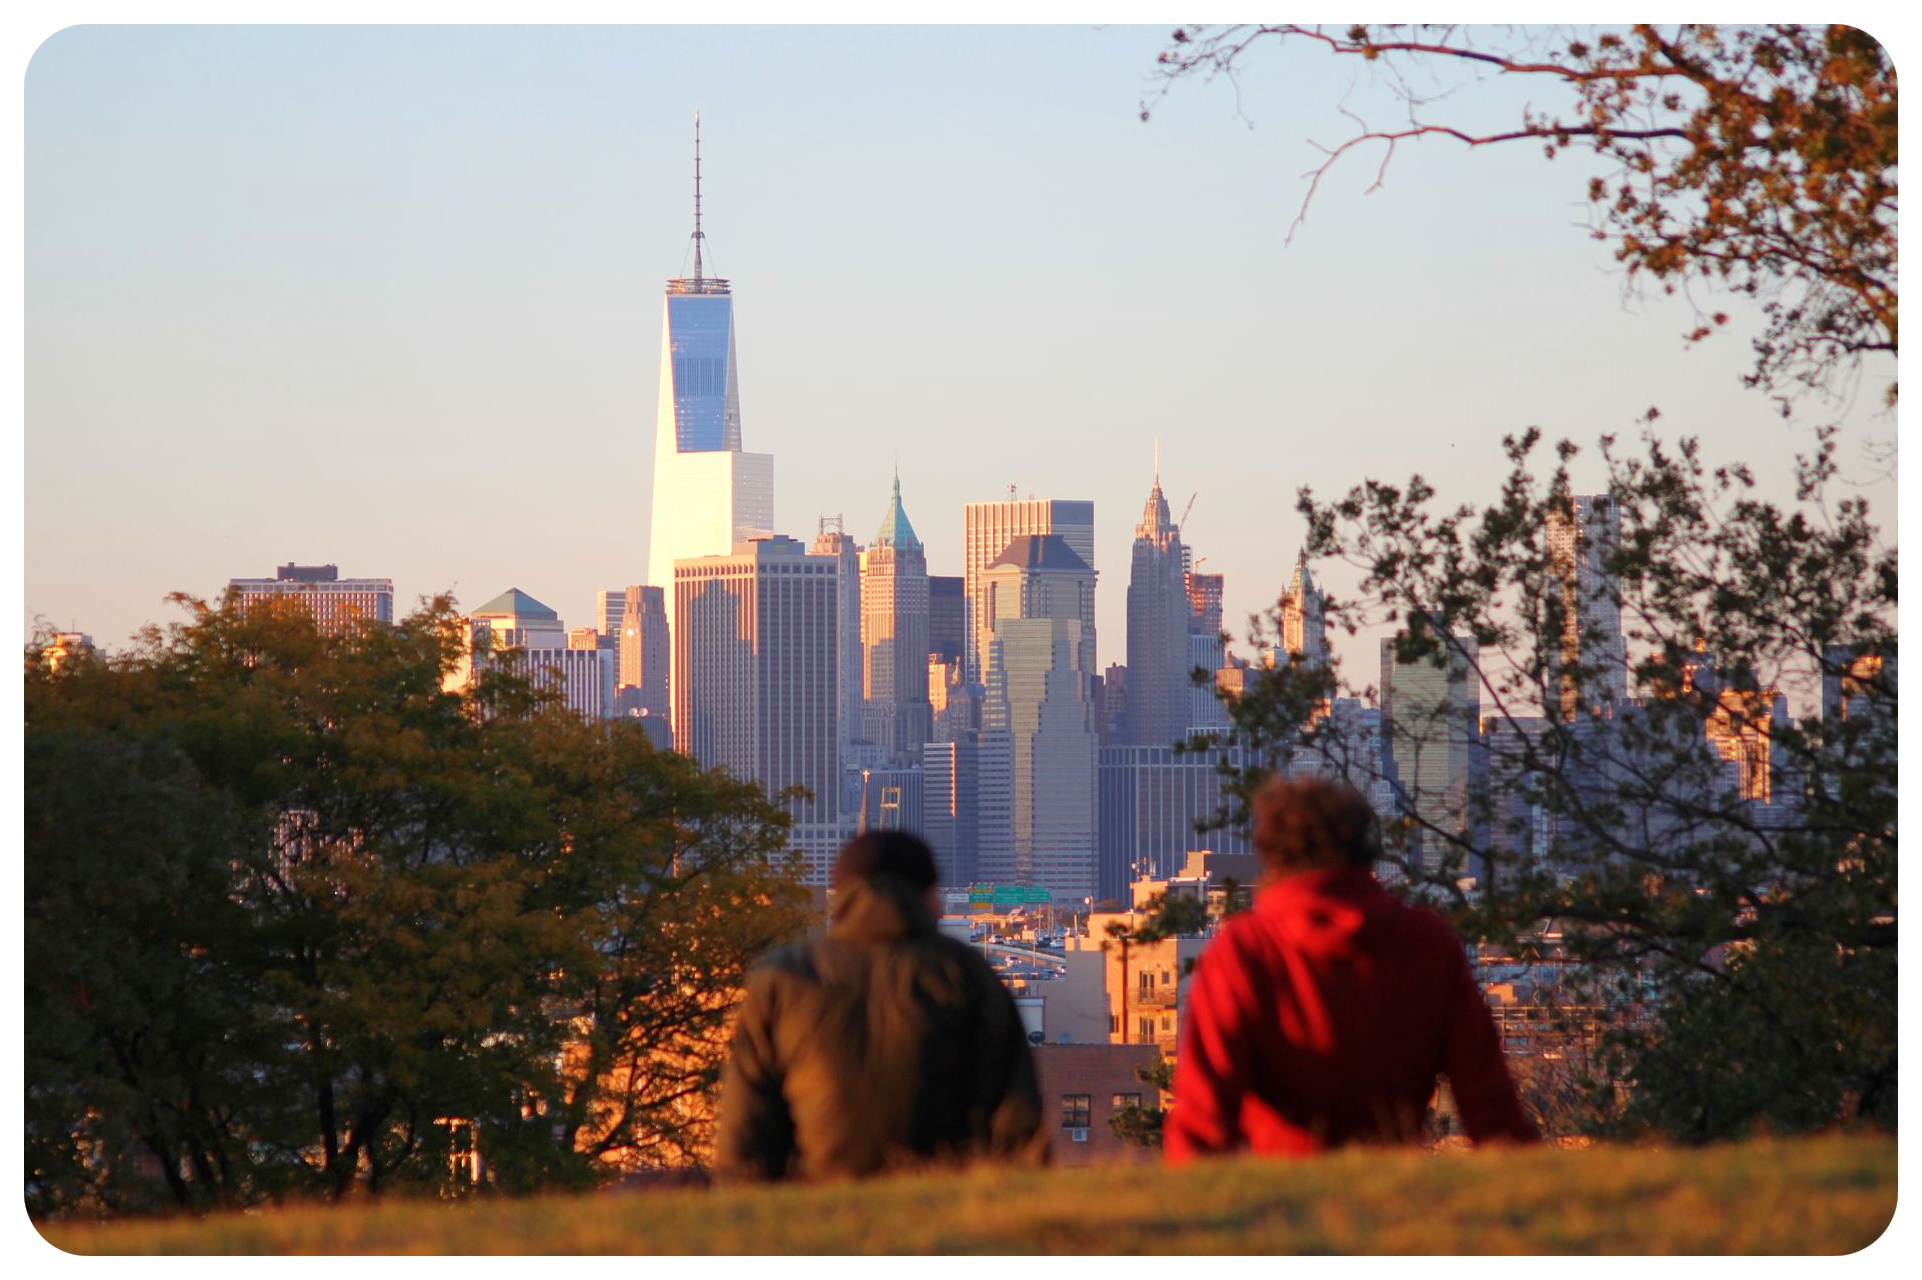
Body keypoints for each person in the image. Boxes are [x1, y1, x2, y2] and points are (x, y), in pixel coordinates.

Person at [1165, 775, 1538, 1162]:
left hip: (1278, 1197)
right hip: (1397, 1196)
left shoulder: (1244, 951)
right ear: (1366, 849)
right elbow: (1490, 1107)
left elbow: (1202, 1117)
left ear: (1271, 856)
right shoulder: (1427, 943)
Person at [715, 830, 1050, 1180]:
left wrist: (752, 1217)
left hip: (817, 1209)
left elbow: (747, 1126)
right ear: (926, 896)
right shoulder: (961, 973)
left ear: (841, 896)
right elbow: (1015, 1122)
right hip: (940, 1207)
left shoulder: (783, 976)